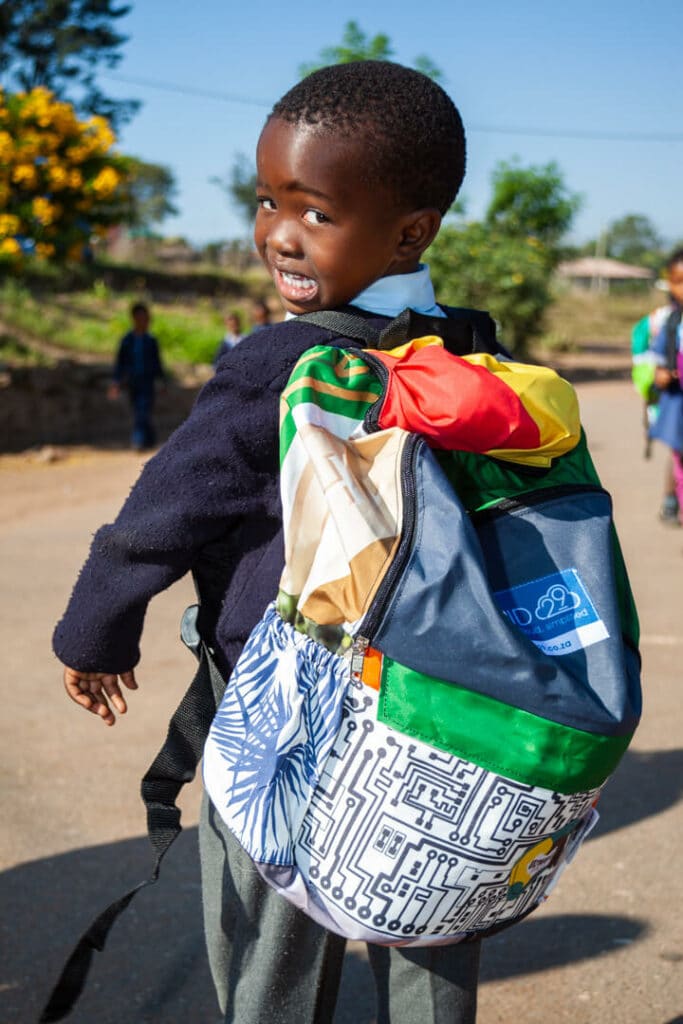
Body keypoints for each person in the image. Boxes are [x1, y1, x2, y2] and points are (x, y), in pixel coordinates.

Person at [53, 62, 482, 1023]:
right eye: (267, 200)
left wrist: (94, 635)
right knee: (426, 923)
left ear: (410, 231)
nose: (277, 235)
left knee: (273, 944)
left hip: (290, 712)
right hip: (436, 709)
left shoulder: (279, 362)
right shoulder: (465, 346)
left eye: (315, 213)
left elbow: (162, 514)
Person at [648, 249, 683, 525]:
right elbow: (657, 359)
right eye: (679, 281)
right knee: (678, 455)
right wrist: (661, 374)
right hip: (678, 405)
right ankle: (672, 498)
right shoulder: (672, 322)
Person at [109, 301, 165, 450]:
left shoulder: (151, 341)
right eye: (141, 318)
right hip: (132, 382)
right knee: (138, 410)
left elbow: (157, 363)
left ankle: (138, 441)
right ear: (134, 319)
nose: (144, 322)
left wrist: (161, 380)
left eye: (146, 319)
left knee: (144, 409)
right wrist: (116, 382)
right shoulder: (127, 341)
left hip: (148, 382)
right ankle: (150, 439)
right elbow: (120, 364)